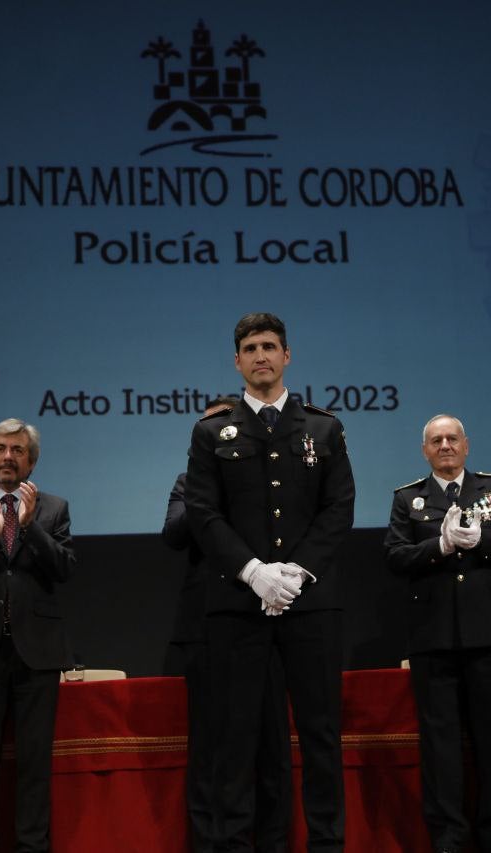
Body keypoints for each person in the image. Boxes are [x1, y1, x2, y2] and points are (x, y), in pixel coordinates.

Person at [183, 312, 354, 852]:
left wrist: (296, 573)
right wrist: (254, 572)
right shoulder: (212, 431)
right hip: (238, 604)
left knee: (321, 735)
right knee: (237, 738)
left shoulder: (323, 427)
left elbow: (339, 508)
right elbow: (203, 512)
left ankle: (327, 843)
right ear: (237, 361)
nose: (261, 355)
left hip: (311, 604)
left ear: (287, 356)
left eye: (270, 346)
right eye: (251, 348)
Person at [384, 414, 491, 853]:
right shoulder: (408, 498)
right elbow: (395, 556)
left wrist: (479, 540)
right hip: (434, 637)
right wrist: (441, 547)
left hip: (490, 634)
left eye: (452, 438)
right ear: (425, 450)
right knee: (440, 747)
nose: (445, 446)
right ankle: (447, 839)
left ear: (466, 445)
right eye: (436, 440)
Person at [163, 397, 293, 853]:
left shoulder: (265, 486)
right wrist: (210, 504)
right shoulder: (188, 483)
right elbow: (175, 532)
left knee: (272, 742)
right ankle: (209, 842)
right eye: (212, 428)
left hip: (266, 618)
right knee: (212, 745)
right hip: (205, 625)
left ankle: (273, 840)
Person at [0, 419, 75, 853]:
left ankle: (33, 846)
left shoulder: (53, 507)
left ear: (31, 460)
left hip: (38, 653)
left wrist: (30, 527)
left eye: (17, 450)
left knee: (34, 764)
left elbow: (65, 569)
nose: (8, 457)